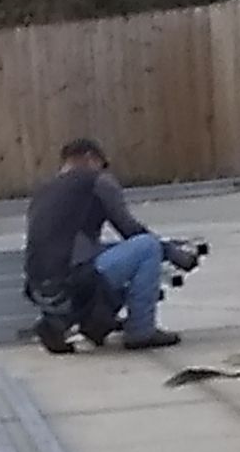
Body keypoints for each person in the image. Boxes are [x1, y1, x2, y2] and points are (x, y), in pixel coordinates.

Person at [24, 137, 181, 354]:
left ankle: (62, 321)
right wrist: (173, 252)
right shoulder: (96, 181)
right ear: (90, 158)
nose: (105, 170)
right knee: (148, 247)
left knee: (107, 254)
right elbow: (130, 229)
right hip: (74, 283)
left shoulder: (43, 191)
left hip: (40, 288)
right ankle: (141, 332)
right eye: (103, 164)